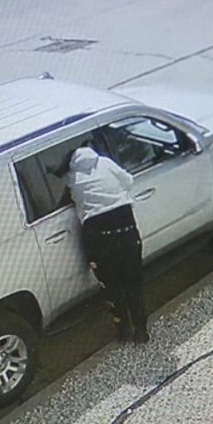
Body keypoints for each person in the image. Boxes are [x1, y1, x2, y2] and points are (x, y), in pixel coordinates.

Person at [66, 147, 149, 343]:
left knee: (111, 286)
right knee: (133, 283)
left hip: (98, 233)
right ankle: (141, 330)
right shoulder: (105, 162)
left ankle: (123, 329)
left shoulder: (71, 177)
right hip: (125, 226)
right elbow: (129, 180)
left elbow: (71, 198)